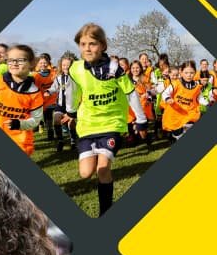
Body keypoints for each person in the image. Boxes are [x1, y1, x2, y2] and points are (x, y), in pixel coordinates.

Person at [65, 23, 148, 216]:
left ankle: (106, 211)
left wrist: (141, 119)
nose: (87, 48)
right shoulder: (76, 69)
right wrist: (70, 111)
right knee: (85, 172)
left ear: (103, 45)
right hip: (87, 125)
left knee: (103, 169)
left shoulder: (114, 68)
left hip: (112, 123)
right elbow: (73, 92)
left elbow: (130, 93)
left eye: (92, 44)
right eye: (83, 44)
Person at [0, 44, 44, 156]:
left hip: (20, 141)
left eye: (20, 60)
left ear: (31, 64)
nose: (14, 63)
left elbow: (36, 120)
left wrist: (19, 124)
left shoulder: (34, 92)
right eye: (11, 60)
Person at [161, 60, 209, 142]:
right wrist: (168, 99)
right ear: (181, 72)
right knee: (177, 135)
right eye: (186, 73)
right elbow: (165, 94)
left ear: (195, 73)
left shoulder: (197, 86)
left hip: (189, 113)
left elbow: (200, 98)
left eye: (191, 73)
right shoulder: (176, 83)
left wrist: (207, 104)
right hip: (176, 114)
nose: (189, 75)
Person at [47, 55, 78, 152]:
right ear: (61, 65)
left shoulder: (76, 77)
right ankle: (61, 141)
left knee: (71, 123)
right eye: (64, 65)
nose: (66, 67)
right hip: (60, 104)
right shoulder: (58, 78)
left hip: (71, 105)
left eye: (68, 65)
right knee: (56, 120)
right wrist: (49, 91)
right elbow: (54, 87)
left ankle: (73, 142)